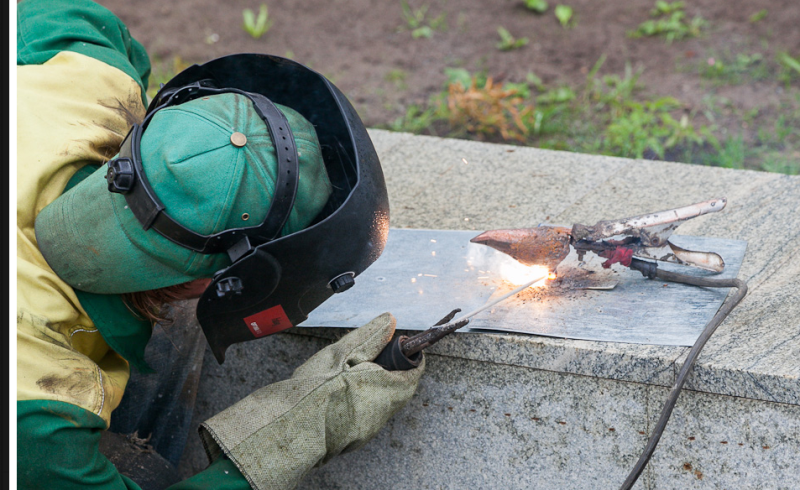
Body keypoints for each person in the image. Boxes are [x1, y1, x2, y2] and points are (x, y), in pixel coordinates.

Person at [15, 0, 425, 488]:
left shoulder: (86, 81)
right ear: (208, 280)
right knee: (145, 469)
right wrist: (303, 426)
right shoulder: (36, 404)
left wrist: (183, 165)